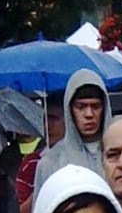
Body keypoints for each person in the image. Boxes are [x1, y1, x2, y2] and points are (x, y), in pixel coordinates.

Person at [33, 70, 112, 199]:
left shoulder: (120, 154)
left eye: (95, 106)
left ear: (104, 108)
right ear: (69, 109)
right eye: (81, 107)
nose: (89, 114)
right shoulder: (52, 161)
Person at [15, 98, 66, 213]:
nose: (47, 125)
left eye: (54, 118)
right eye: (44, 119)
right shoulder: (31, 163)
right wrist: (41, 185)